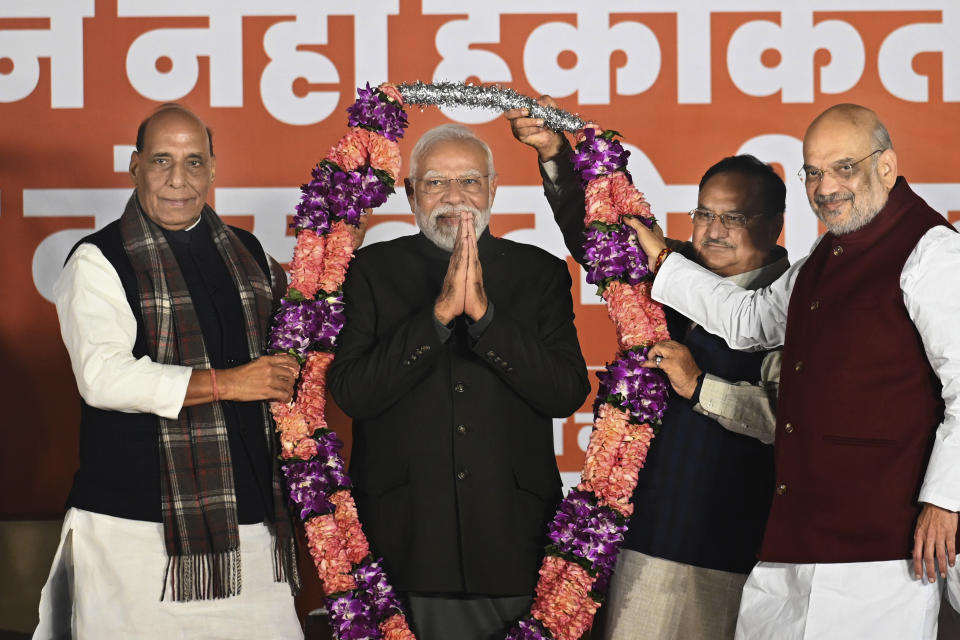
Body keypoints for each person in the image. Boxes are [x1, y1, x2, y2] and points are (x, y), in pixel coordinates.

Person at [629, 103, 960, 639]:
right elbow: (750, 317)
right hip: (792, 537)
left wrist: (946, 501)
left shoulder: (933, 253)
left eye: (843, 167)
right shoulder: (824, 256)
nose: (825, 186)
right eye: (812, 171)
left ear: (886, 167)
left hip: (879, 549)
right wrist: (664, 262)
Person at [507, 104, 788, 639]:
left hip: (738, 554)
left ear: (775, 225)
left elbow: (788, 418)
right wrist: (556, 156)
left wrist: (702, 386)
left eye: (735, 217)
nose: (714, 231)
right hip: (641, 545)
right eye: (704, 214)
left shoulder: (795, 305)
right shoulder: (673, 274)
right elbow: (602, 242)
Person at [34, 104, 303, 640]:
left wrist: (346, 245)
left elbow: (301, 335)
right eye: (161, 161)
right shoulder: (98, 259)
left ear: (213, 168)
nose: (178, 179)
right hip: (131, 533)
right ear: (134, 166)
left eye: (194, 162)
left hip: (249, 523)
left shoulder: (248, 253)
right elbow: (103, 377)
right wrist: (231, 383)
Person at [326, 123, 590, 640]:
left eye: (469, 181)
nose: (454, 197)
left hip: (512, 541)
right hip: (404, 543)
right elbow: (351, 392)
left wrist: (487, 319)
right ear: (409, 194)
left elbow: (565, 392)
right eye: (435, 183)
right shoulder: (368, 271)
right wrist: (437, 318)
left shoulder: (540, 272)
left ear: (493, 190)